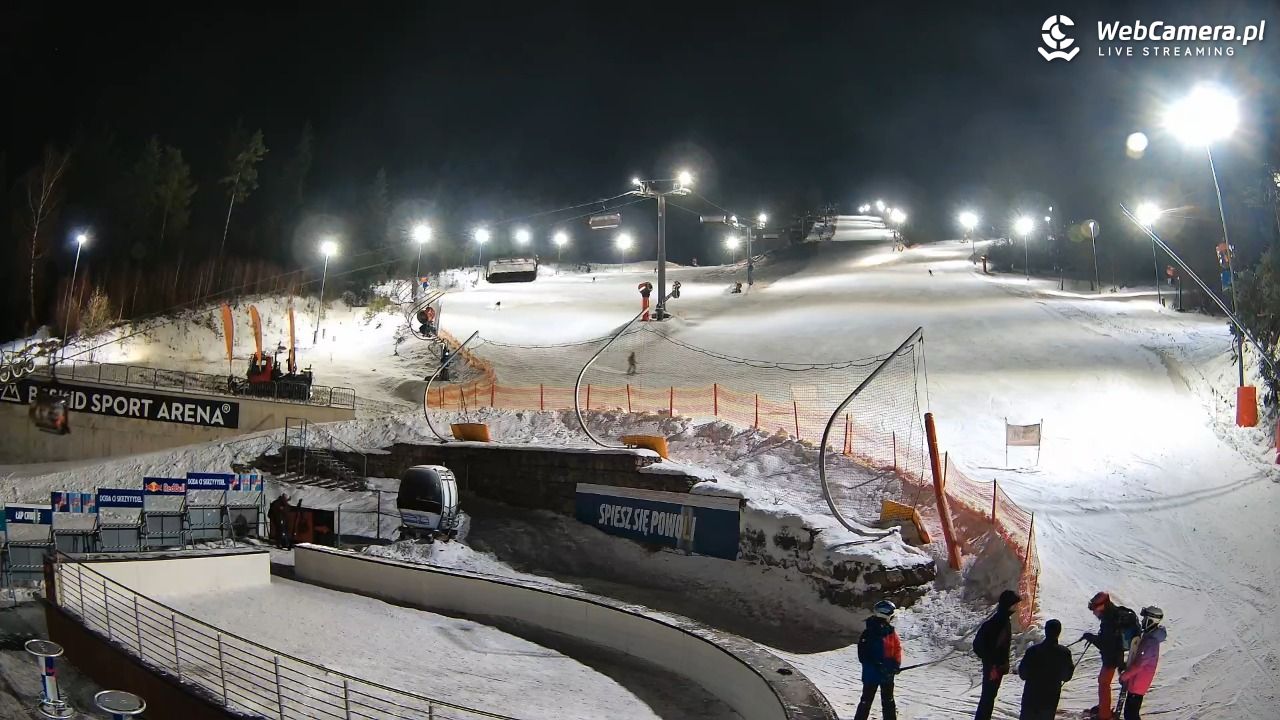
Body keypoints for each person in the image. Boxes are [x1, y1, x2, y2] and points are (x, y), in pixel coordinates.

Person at [1082, 591, 1139, 720]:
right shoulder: (1112, 615)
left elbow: (1105, 644)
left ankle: (1104, 715)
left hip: (1111, 658)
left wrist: (1091, 638)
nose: (1094, 612)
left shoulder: (1109, 620)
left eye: (1094, 609)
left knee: (1103, 683)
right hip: (1115, 655)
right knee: (1104, 683)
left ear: (1102, 605)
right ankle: (1104, 708)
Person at [973, 589, 1021, 720]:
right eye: (1015, 604)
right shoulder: (999, 623)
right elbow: (981, 646)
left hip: (995, 667)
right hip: (994, 668)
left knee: (988, 697)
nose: (1017, 607)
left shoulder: (1002, 619)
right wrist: (992, 666)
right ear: (1009, 605)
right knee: (987, 698)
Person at [1017, 618, 1074, 719]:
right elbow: (1066, 677)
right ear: (1059, 633)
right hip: (1050, 699)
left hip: (1030, 697)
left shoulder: (1032, 651)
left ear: (1046, 631)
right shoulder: (1064, 653)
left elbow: (1022, 674)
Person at [854, 599, 902, 720]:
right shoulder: (869, 633)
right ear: (885, 615)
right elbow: (864, 655)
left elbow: (897, 649)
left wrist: (895, 664)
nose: (892, 618)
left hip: (887, 674)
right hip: (872, 674)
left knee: (888, 701)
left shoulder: (891, 631)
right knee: (866, 700)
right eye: (891, 615)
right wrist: (879, 665)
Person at [1118, 607, 1165, 720]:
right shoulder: (1148, 638)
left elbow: (1140, 664)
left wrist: (1125, 676)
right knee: (1130, 714)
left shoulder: (1150, 642)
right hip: (1137, 682)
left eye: (1145, 619)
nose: (1143, 622)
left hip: (1138, 684)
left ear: (1151, 621)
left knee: (1131, 715)